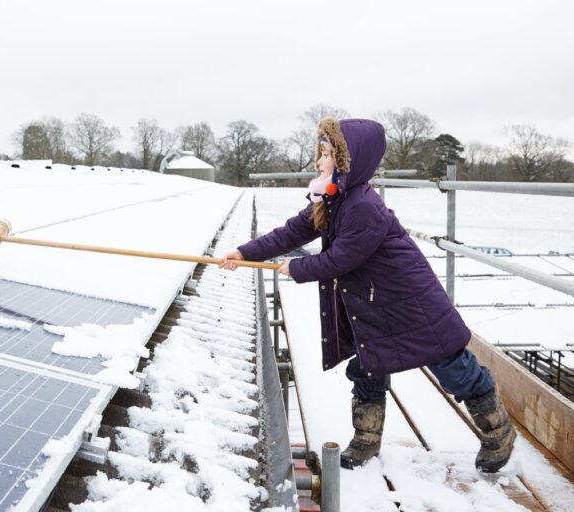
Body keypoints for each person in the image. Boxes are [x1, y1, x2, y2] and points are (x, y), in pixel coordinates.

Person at [220, 118, 516, 472]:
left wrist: (297, 269)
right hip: (375, 302)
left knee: (453, 367)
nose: (319, 162)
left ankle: (498, 433)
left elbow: (344, 257)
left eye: (327, 154)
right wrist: (246, 252)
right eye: (320, 153)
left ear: (348, 160)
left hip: (411, 302)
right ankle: (367, 438)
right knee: (367, 364)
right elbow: (294, 230)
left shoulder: (362, 204)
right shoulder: (332, 197)